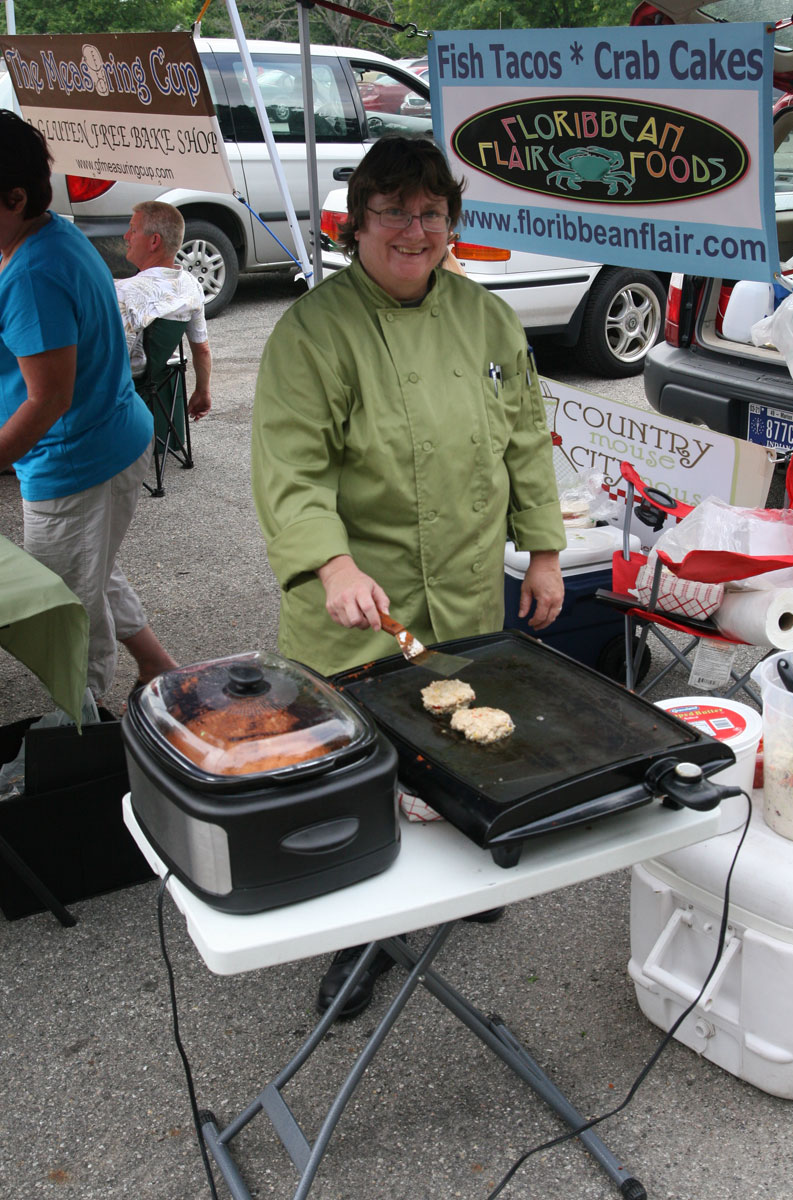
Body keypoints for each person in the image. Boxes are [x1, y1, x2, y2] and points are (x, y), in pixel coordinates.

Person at [252, 135, 566, 1017]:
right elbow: (291, 470)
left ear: (451, 223)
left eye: (430, 211)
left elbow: (523, 439)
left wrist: (542, 550)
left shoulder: (487, 318)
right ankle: (361, 937)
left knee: (464, 743)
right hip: (360, 605)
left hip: (463, 591)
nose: (413, 228)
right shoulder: (314, 332)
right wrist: (331, 560)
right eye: (392, 210)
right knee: (357, 773)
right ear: (359, 225)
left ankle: (466, 877)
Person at [0, 110, 178, 700]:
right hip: (112, 437)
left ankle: (79, 730)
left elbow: (49, 399)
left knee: (66, 607)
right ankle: (159, 666)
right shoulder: (52, 231)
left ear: (15, 196)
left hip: (77, 460)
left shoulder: (33, 271)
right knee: (91, 568)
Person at [115, 201, 212, 421]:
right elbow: (202, 349)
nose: (126, 236)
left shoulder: (125, 293)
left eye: (133, 230)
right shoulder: (191, 286)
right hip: (154, 378)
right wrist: (203, 392)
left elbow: (111, 360)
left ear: (154, 241)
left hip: (118, 394)